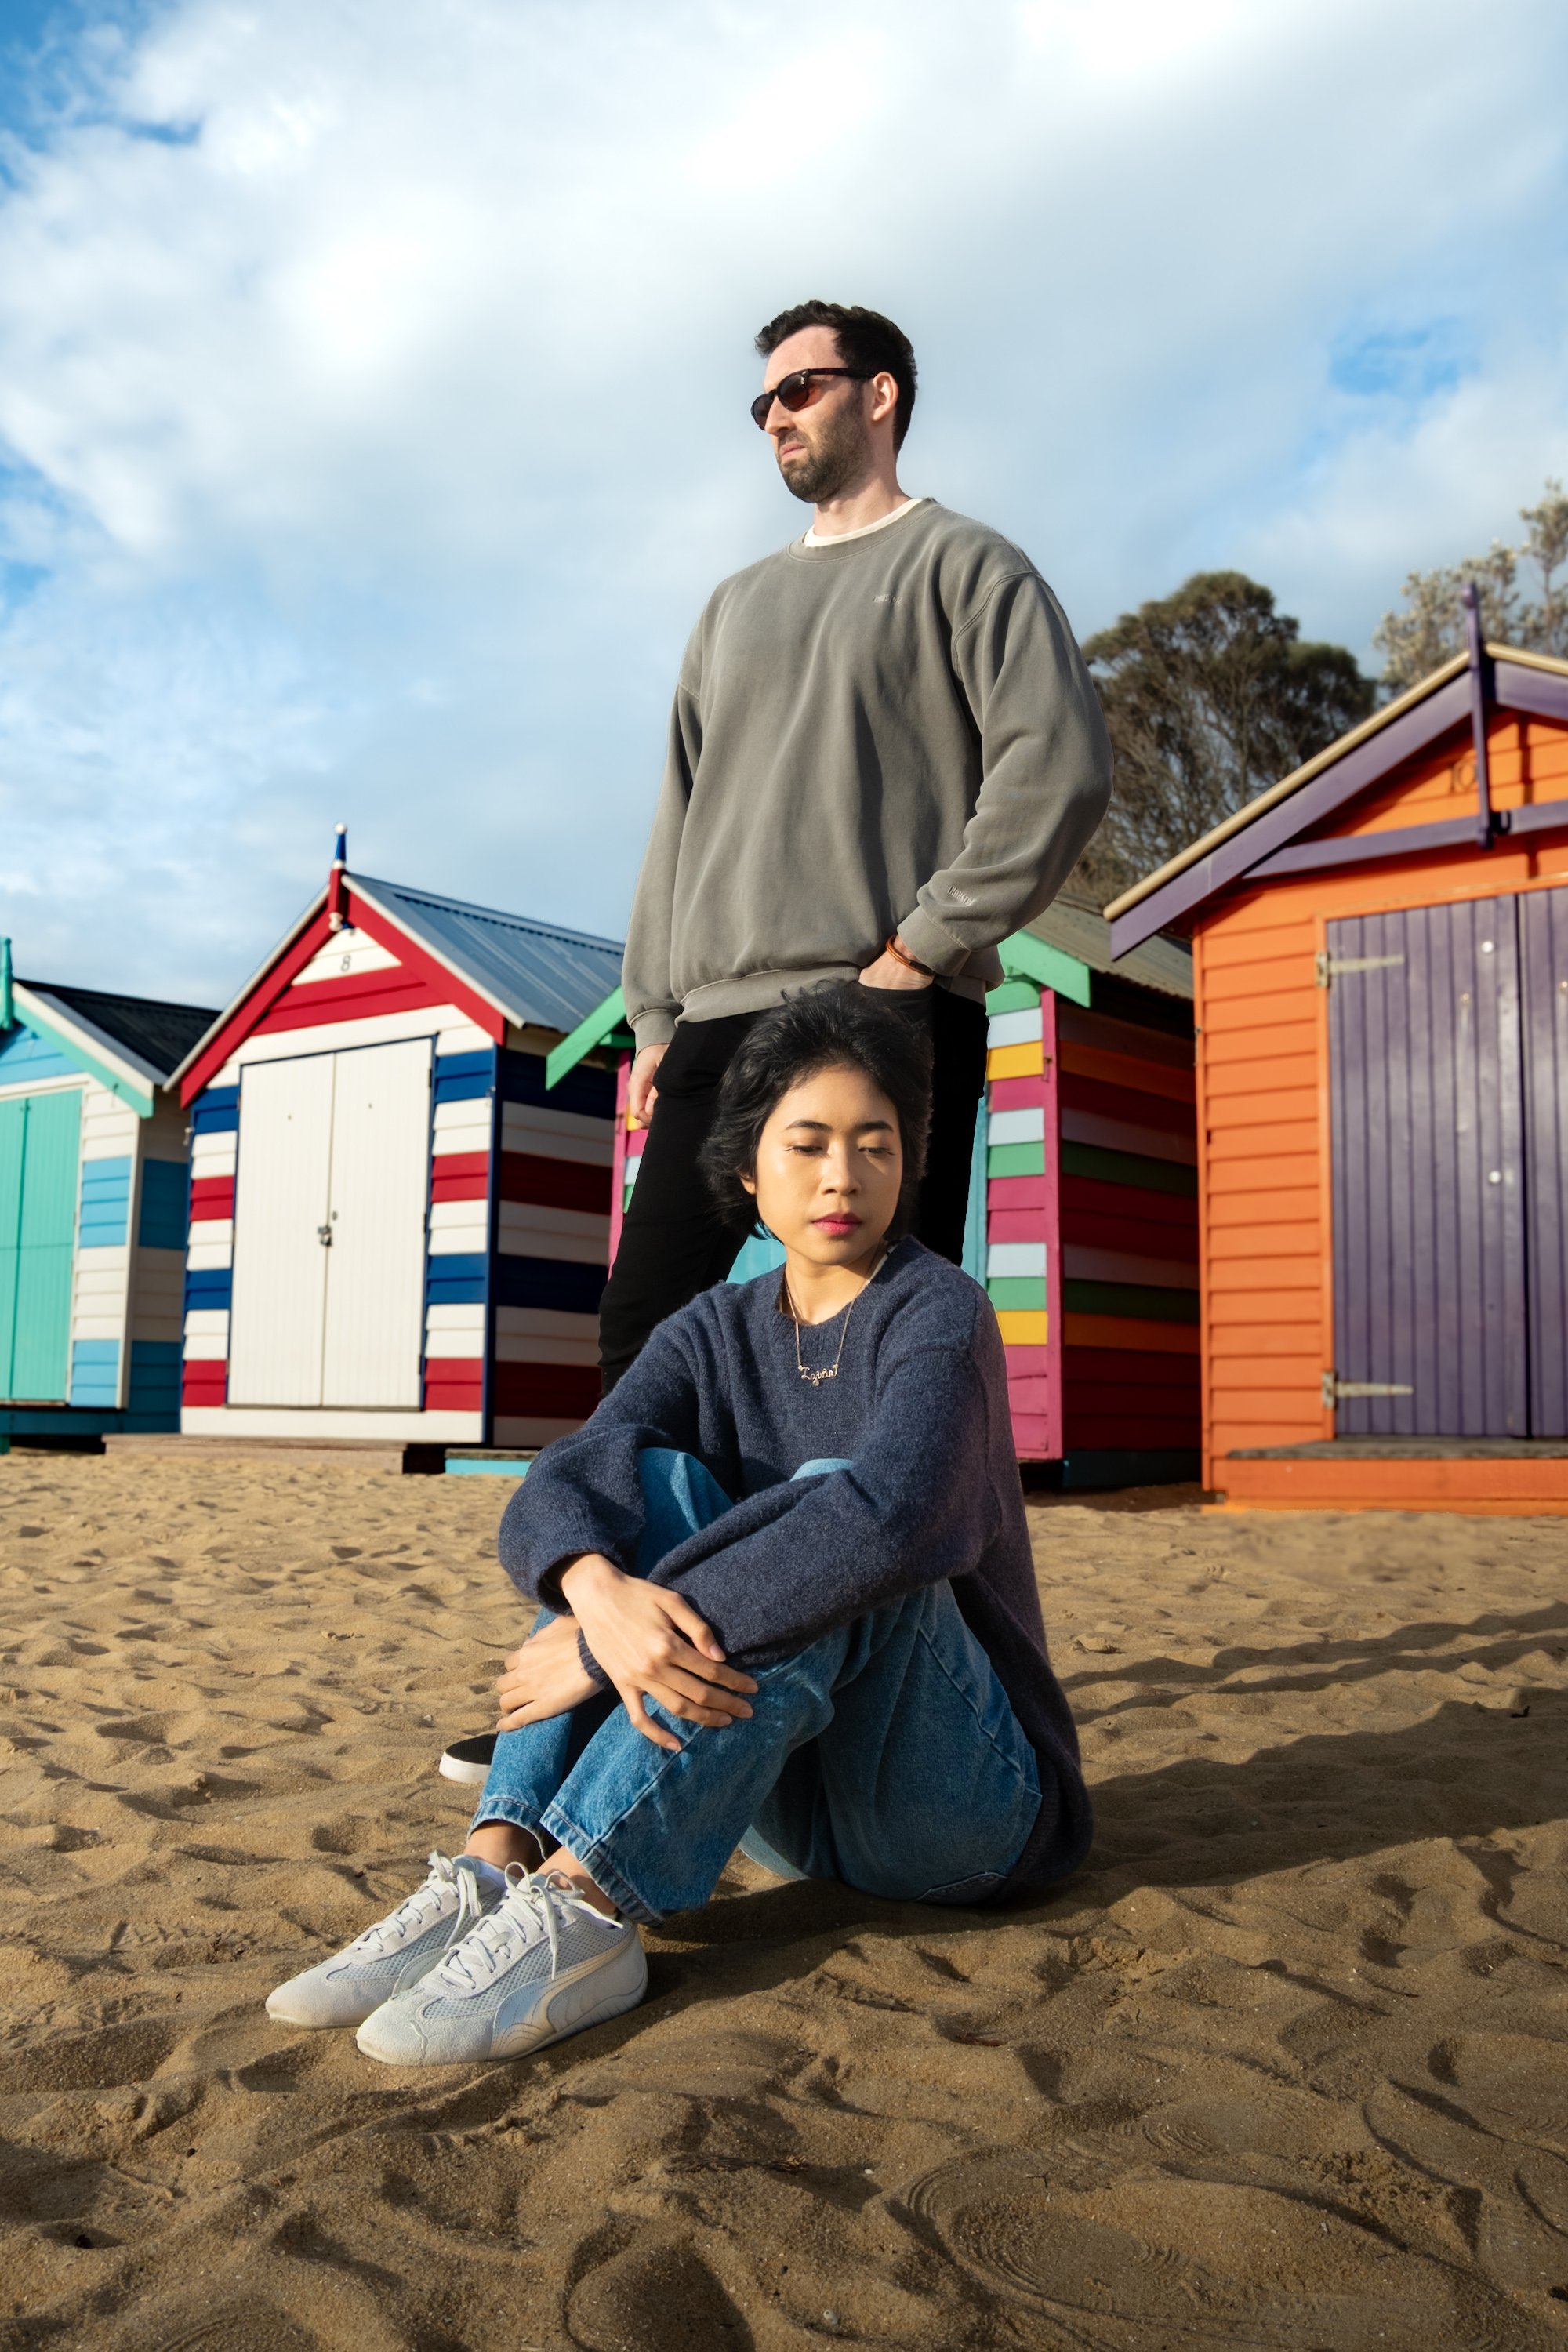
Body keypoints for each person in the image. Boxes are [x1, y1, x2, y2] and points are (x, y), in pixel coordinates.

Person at [266, 988, 1091, 2067]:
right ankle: (495, 1866)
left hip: (965, 1811)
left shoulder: (938, 1310)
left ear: (907, 1165)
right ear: (749, 1168)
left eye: (874, 1146)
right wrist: (596, 1602)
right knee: (643, 1483)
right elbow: (567, 1475)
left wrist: (641, 1637)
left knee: (833, 1511)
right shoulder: (714, 1327)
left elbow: (894, 1516)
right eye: (808, 1145)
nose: (843, 1175)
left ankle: (584, 1901)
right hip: (788, 1811)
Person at [597, 296, 1112, 1390]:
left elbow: (1058, 768)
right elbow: (680, 819)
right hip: (716, 1023)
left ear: (879, 396)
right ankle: (671, 1566)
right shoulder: (731, 607)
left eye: (799, 389)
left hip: (881, 1013)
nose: (776, 418)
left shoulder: (970, 567)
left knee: (879, 1354)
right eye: (763, 403)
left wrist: (919, 950)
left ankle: (872, 1564)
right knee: (642, 1342)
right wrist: (652, 1016)